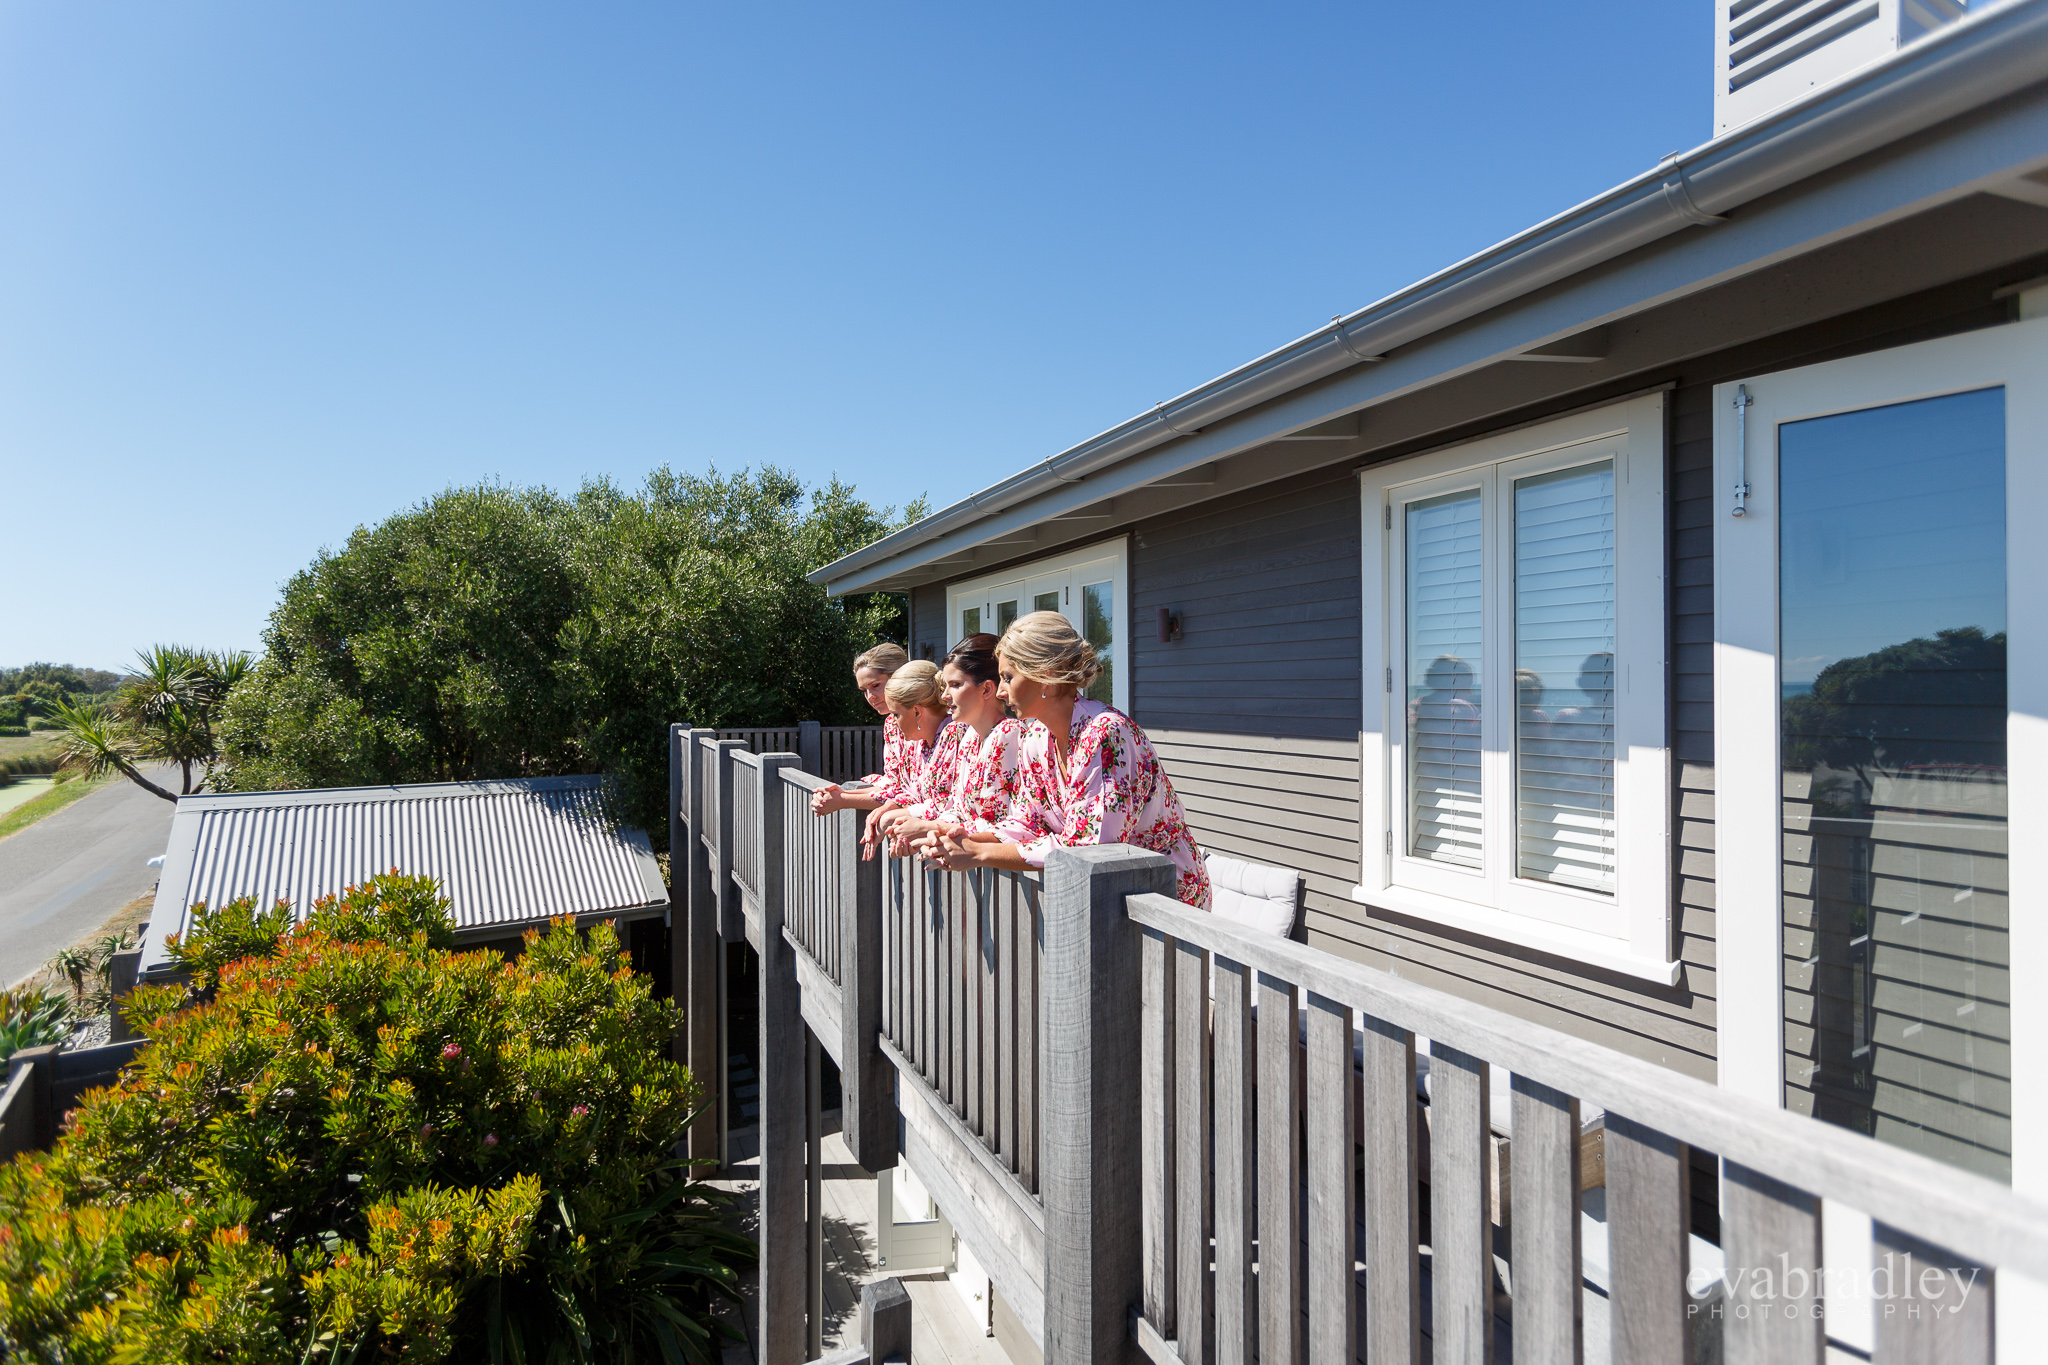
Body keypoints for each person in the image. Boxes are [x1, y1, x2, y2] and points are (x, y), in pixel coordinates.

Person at [919, 611, 1211, 910]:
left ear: (1044, 675)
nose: (1002, 691)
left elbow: (1089, 847)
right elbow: (1027, 821)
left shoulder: (1105, 733)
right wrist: (962, 837)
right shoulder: (1035, 738)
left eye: (1007, 677)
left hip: (1163, 898)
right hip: (1104, 897)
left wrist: (979, 853)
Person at [871, 633, 1021, 856]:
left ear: (987, 689)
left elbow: (1001, 823)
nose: (945, 695)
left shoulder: (1009, 734)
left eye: (955, 685)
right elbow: (958, 810)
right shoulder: (970, 737)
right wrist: (926, 835)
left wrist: (927, 828)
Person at [854, 660, 956, 856]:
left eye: (896, 715)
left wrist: (905, 819)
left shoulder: (953, 733)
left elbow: (950, 804)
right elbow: (915, 793)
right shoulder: (923, 742)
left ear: (917, 711)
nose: (894, 724)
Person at [811, 643, 908, 816]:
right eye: (864, 690)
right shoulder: (890, 725)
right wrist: (839, 794)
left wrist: (843, 799)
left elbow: (917, 793)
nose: (870, 697)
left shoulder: (934, 723)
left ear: (899, 677)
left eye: (876, 685)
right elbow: (894, 786)